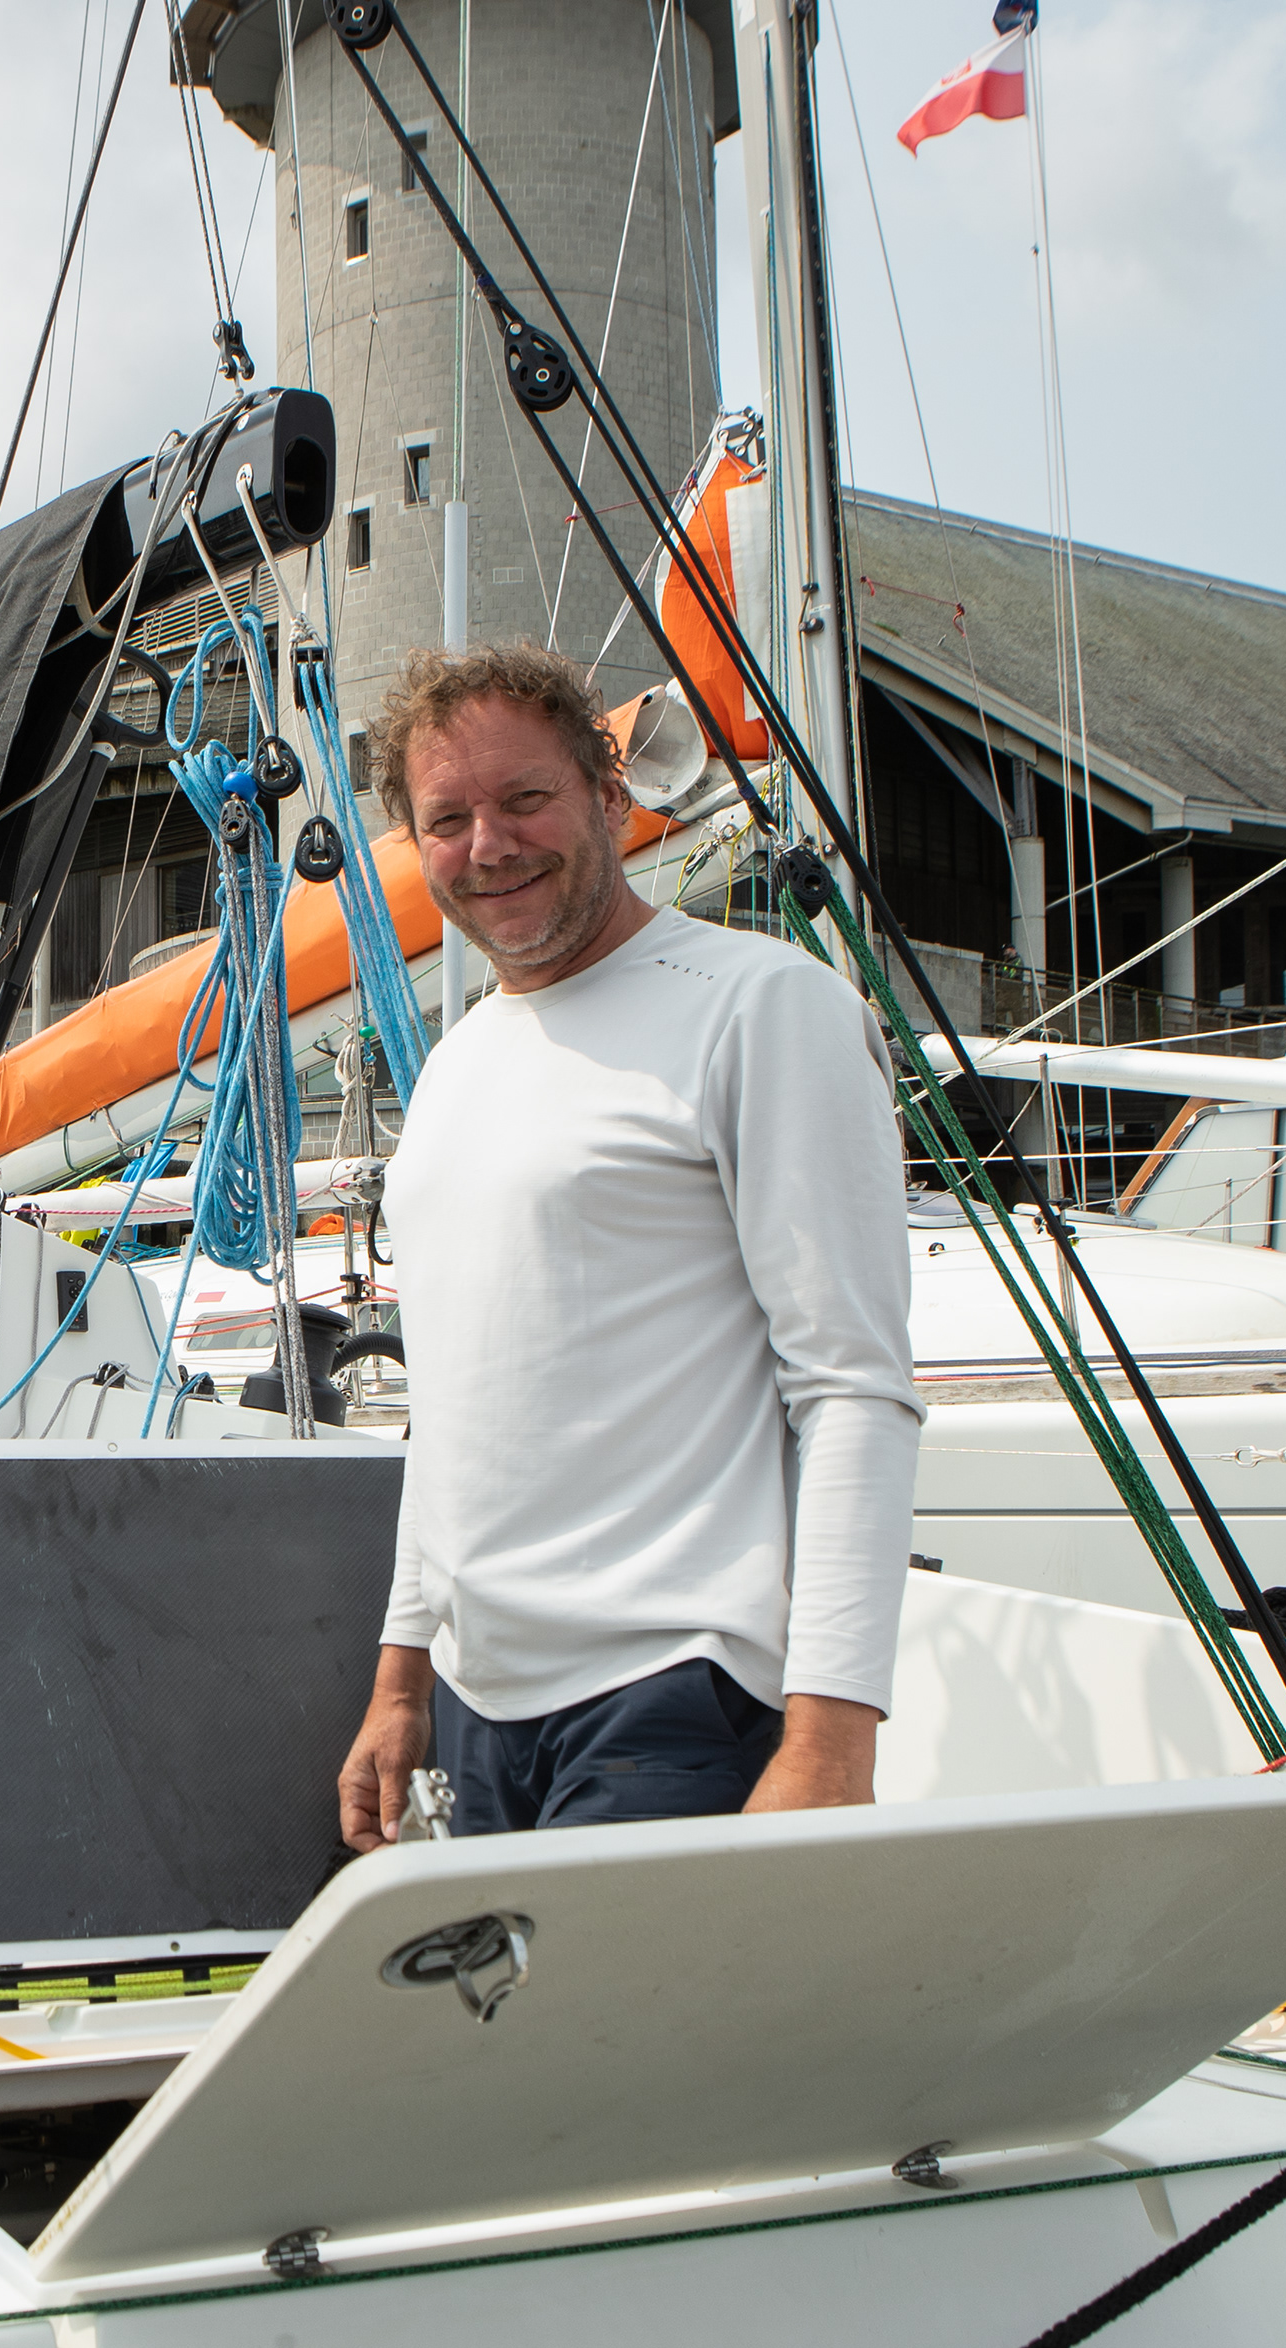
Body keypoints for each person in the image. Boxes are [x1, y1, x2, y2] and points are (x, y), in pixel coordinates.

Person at [333, 644, 922, 1850]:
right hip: (478, 1707)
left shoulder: (764, 1007)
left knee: (628, 2044)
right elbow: (446, 1418)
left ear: (610, 799)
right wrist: (402, 1685)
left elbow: (854, 1385)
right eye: (450, 818)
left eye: (527, 799)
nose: (490, 844)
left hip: (677, 1697)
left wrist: (832, 1737)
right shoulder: (451, 1073)